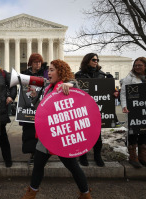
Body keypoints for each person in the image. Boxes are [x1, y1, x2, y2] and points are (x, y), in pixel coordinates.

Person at [21, 59, 91, 199]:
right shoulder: (49, 88)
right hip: (47, 135)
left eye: (52, 70)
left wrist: (70, 84)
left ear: (60, 72)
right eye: (49, 70)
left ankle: (85, 194)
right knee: (38, 166)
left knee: (73, 167)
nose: (49, 73)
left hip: (61, 135)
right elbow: (42, 109)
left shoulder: (66, 86)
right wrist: (34, 97)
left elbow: (79, 90)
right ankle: (31, 193)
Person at [75, 53, 115, 167]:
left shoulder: (102, 75)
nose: (96, 61)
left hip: (97, 109)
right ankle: (83, 156)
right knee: (83, 134)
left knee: (97, 136)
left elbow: (106, 93)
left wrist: (113, 92)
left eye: (97, 60)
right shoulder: (79, 75)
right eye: (93, 59)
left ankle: (97, 156)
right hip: (83, 109)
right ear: (87, 60)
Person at [20, 53, 48, 165]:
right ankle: (32, 154)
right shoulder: (25, 74)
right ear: (31, 63)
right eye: (36, 62)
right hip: (29, 108)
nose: (38, 64)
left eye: (40, 62)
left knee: (41, 132)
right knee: (29, 132)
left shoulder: (45, 73)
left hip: (42, 107)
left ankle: (41, 154)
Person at [120, 57, 146, 168]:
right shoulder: (129, 78)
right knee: (133, 131)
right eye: (135, 65)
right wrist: (124, 106)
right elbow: (123, 93)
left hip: (144, 109)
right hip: (133, 109)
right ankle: (132, 155)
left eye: (140, 65)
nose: (137, 67)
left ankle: (142, 155)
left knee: (144, 130)